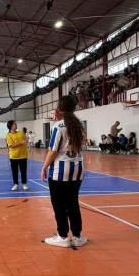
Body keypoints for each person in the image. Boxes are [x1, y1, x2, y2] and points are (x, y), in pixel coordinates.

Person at [42, 95, 87, 248]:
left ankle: (62, 236)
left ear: (58, 110)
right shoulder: (79, 124)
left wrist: (44, 167)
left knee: (59, 205)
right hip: (77, 169)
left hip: (60, 172)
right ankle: (78, 236)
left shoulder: (58, 126)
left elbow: (53, 150)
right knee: (73, 203)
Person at [6, 120, 29, 191]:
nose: (16, 125)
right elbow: (11, 146)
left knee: (23, 171)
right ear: (11, 126)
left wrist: (26, 141)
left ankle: (24, 184)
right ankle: (16, 184)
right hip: (14, 156)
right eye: (14, 124)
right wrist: (21, 143)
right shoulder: (9, 135)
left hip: (23, 155)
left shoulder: (20, 133)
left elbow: (26, 139)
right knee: (14, 172)